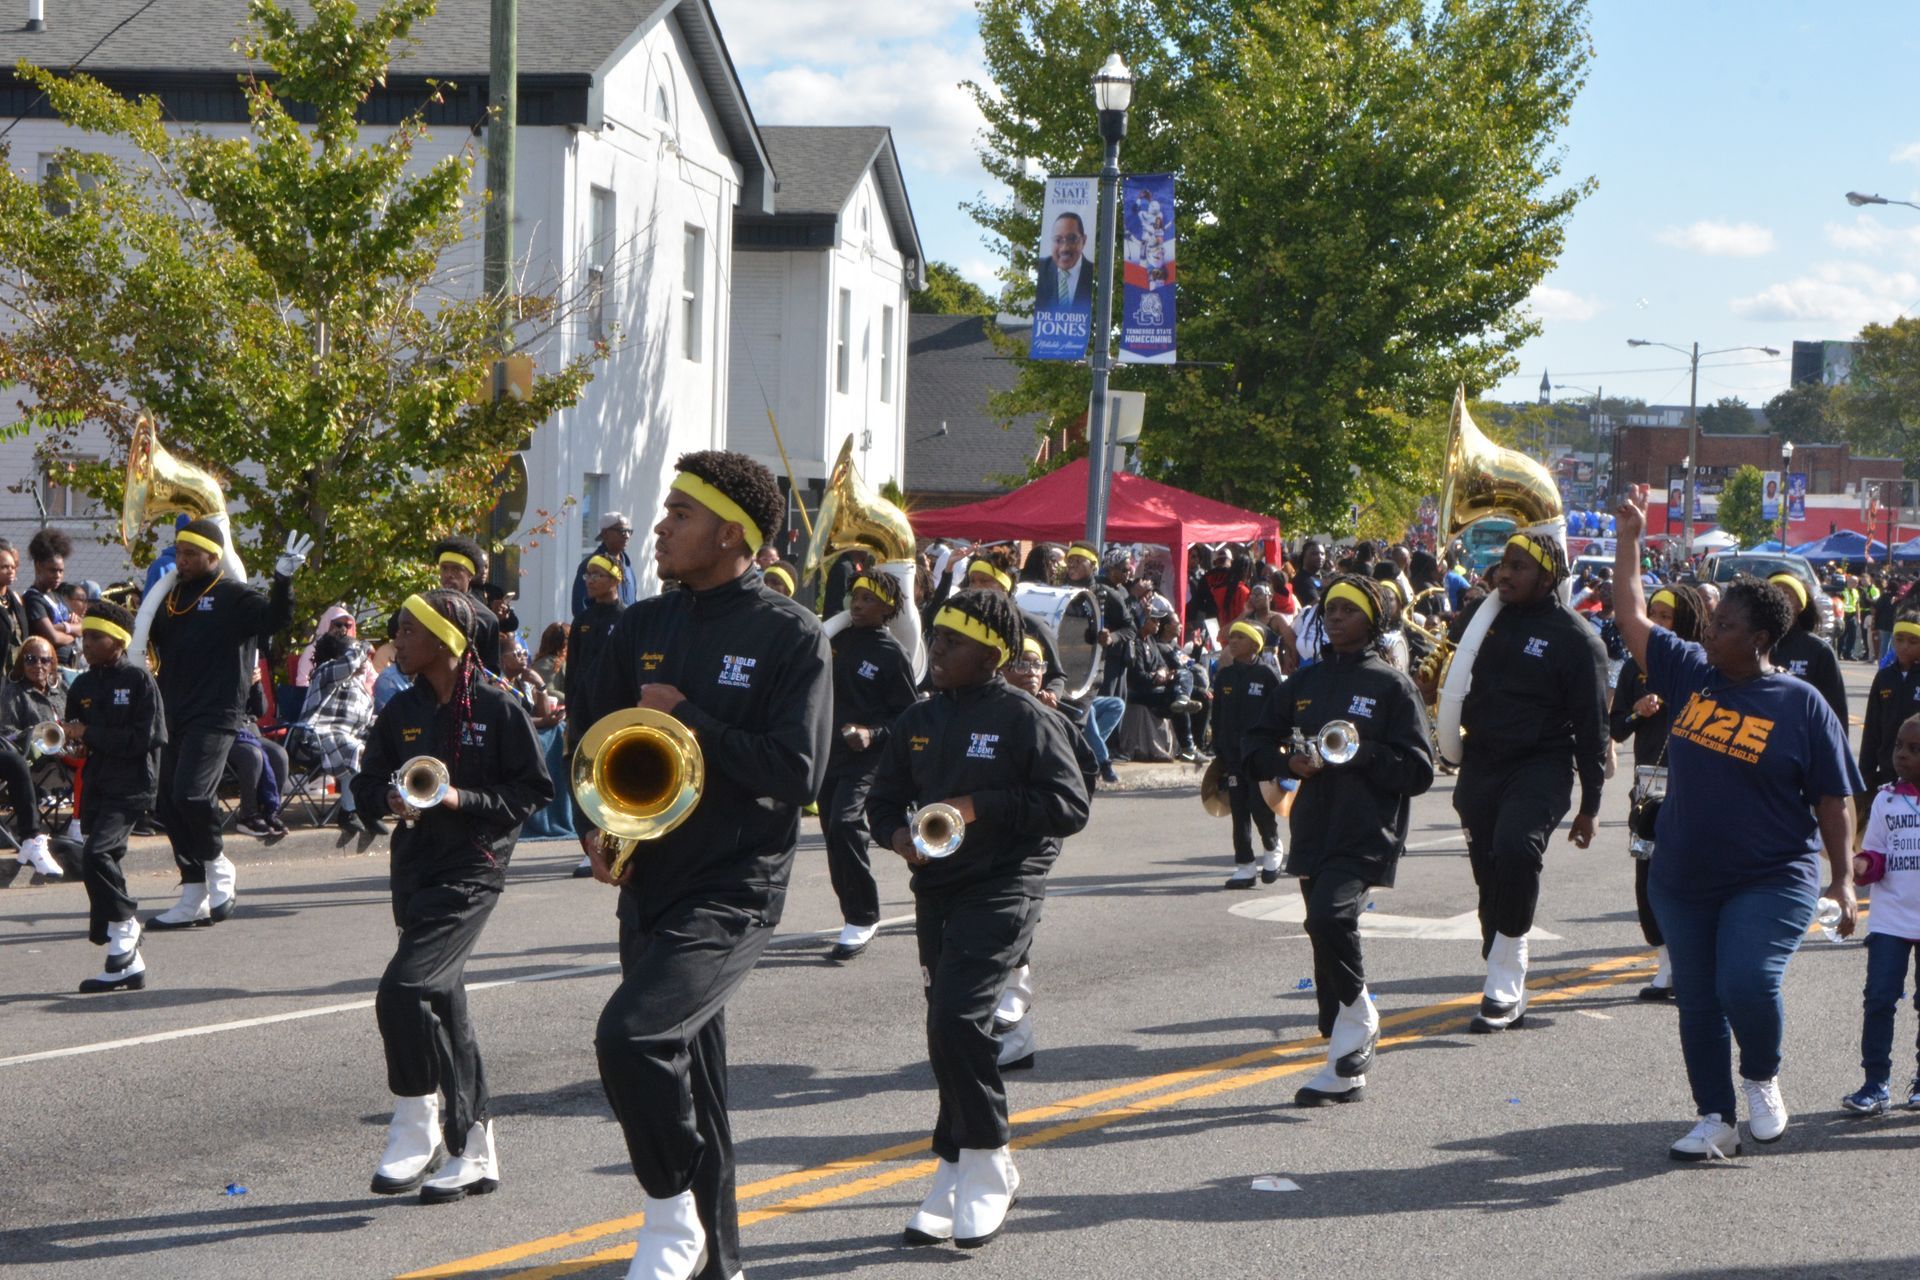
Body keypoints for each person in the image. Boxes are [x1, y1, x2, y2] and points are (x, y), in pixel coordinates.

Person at [573, 450, 830, 1280]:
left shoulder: (789, 634)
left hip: (733, 886)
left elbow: (798, 773)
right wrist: (595, 829)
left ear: (731, 534)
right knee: (695, 1080)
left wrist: (692, 720)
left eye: (680, 515)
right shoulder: (642, 625)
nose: (660, 527)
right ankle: (721, 1262)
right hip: (651, 880)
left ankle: (669, 1210)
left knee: (633, 1037)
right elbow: (593, 735)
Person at [1612, 484, 1860, 1160]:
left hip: (1771, 876)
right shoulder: (1690, 671)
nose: (1708, 631)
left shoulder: (1800, 704)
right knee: (1697, 999)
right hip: (1683, 876)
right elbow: (1630, 615)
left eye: (1722, 625)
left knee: (1745, 981)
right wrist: (1630, 539)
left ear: (1758, 640)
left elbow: (1834, 799)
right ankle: (1715, 1119)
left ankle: (1761, 1075)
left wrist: (1842, 881)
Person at [866, 589, 1090, 1249]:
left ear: (991, 655)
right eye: (935, 638)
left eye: (951, 643)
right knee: (946, 1030)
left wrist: (979, 805)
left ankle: (990, 1162)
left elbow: (1069, 806)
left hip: (1004, 885)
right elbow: (882, 801)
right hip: (938, 887)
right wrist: (897, 836)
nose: (935, 651)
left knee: (958, 1020)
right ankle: (952, 1169)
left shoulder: (1025, 716)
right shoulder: (918, 718)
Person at [355, 589, 553, 1201]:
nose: (397, 640)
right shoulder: (401, 709)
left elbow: (531, 791)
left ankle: (416, 1122)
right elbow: (366, 781)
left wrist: (461, 799)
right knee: (443, 1002)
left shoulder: (497, 706)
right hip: (415, 867)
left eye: (408, 630)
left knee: (405, 988)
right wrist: (387, 798)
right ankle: (475, 1149)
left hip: (472, 870)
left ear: (445, 641)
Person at [1245, 575, 1434, 1105]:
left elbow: (1419, 770)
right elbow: (1254, 744)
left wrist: (1363, 753)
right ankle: (1344, 1068)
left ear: (1372, 620)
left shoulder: (1393, 686)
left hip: (1368, 828)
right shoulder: (1304, 681)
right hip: (1313, 827)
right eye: (1330, 608)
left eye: (1348, 609)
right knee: (1323, 940)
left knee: (1328, 918)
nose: (1334, 616)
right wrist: (1289, 762)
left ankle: (1363, 1017)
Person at [1435, 531, 1607, 1034]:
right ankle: (1500, 957)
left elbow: (1592, 729)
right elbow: (1450, 678)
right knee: (1490, 877)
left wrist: (1591, 805)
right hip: (1481, 763)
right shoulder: (1480, 618)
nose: (1504, 574)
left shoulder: (1577, 639)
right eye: (1503, 564)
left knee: (1516, 848)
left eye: (1518, 566)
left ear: (1548, 577)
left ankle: (1506, 982)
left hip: (1540, 765)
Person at [145, 520, 309, 930]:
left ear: (212, 557)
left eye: (190, 554)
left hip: (217, 713)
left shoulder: (234, 595)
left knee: (193, 794)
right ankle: (193, 894)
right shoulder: (171, 597)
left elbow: (275, 619)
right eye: (179, 552)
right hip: (173, 711)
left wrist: (283, 580)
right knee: (168, 803)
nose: (181, 561)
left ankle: (218, 863)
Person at [1609, 583, 1709, 1000]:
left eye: (1666, 617)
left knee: (1689, 875)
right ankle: (1666, 965)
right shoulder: (1634, 667)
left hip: (1695, 784)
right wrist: (1638, 710)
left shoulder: (1704, 665)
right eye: (1652, 614)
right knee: (1648, 876)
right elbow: (1616, 729)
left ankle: (1690, 968)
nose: (1657, 623)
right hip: (1649, 786)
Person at [63, 601, 165, 992]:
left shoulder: (139, 681)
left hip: (132, 784)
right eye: (84, 636)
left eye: (95, 637)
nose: (86, 644)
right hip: (97, 783)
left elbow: (145, 739)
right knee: (100, 863)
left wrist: (89, 734)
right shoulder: (82, 685)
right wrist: (72, 743)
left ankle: (125, 924)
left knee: (97, 854)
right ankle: (128, 965)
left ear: (118, 641)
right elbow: (78, 739)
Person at [819, 569, 919, 960]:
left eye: (869, 600)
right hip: (829, 755)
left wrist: (872, 733)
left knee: (846, 824)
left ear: (888, 608)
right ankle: (853, 910)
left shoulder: (891, 654)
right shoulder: (836, 638)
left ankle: (863, 916)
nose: (858, 606)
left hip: (867, 760)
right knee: (833, 834)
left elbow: (908, 717)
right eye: (856, 598)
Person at [1842, 713, 1920, 1115]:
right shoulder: (1886, 799)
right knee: (1878, 999)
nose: (1901, 755)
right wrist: (1861, 866)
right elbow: (1876, 854)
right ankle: (1875, 1083)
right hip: (1891, 919)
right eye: (1899, 747)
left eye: (1914, 749)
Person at [1212, 620, 1282, 888]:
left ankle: (1272, 846)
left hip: (1260, 754)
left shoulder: (1266, 675)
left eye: (1240, 637)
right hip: (1232, 754)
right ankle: (1245, 865)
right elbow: (1217, 715)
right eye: (1232, 636)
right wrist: (1219, 749)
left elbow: (1280, 713)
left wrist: (1278, 748)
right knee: (1239, 809)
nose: (1233, 641)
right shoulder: (1225, 677)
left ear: (1255, 644)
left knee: (1258, 804)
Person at [299, 629, 381, 834]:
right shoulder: (326, 672)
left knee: (382, 746)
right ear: (340, 656)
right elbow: (348, 664)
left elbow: (363, 720)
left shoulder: (358, 685)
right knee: (355, 748)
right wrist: (363, 646)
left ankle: (373, 807)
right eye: (354, 653)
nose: (364, 661)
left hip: (347, 736)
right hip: (316, 736)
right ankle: (349, 812)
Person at [0, 637, 63, 879]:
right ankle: (32, 838)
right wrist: (35, 733)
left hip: (64, 753)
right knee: (15, 762)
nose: (38, 665)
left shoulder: (61, 690)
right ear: (21, 663)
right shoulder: (15, 692)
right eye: (31, 659)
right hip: (35, 754)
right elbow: (7, 732)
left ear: (53, 663)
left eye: (45, 660)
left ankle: (84, 826)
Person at [1769, 574, 1847, 728]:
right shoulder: (1752, 644)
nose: (1779, 599)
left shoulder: (1818, 650)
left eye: (1787, 594)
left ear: (1800, 605)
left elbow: (1836, 713)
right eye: (1774, 592)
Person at [429, 536, 502, 674]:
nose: (448, 574)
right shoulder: (424, 607)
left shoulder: (487, 619)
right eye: (444, 568)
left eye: (456, 569)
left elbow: (491, 671)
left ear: (470, 575)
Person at [573, 511, 638, 618]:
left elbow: (633, 603)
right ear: (605, 533)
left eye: (629, 531)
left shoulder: (627, 566)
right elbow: (580, 607)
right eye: (622, 531)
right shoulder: (591, 566)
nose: (627, 536)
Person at [1035, 211, 1094, 308]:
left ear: (1083, 240)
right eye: (1058, 240)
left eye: (1072, 239)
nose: (1064, 248)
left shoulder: (1094, 272)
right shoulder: (1042, 269)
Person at [0, 538, 27, 676]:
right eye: (4, 567)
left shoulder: (16, 599)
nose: (11, 571)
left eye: (13, 567)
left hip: (17, 673)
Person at [531, 622, 569, 697]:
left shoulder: (539, 662)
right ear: (564, 644)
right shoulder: (549, 663)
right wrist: (573, 701)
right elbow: (548, 691)